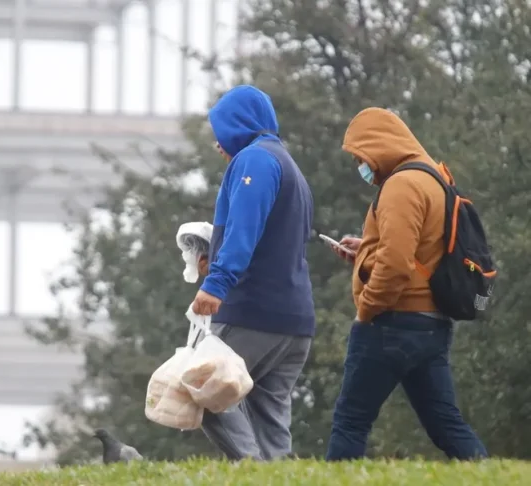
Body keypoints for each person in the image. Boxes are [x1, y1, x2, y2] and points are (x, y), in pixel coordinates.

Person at [325, 107, 488, 460]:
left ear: (379, 145)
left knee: (350, 423)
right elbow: (418, 253)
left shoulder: (401, 184)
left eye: (360, 156)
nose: (360, 166)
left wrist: (366, 309)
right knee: (447, 425)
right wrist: (365, 250)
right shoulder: (435, 178)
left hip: (392, 323)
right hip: (432, 325)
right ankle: (489, 474)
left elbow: (397, 264)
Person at [189, 85, 316, 461]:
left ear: (240, 126)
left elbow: (244, 233)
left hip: (254, 313)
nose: (217, 145)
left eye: (222, 132)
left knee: (205, 390)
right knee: (268, 417)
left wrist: (216, 283)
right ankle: (277, 474)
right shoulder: (288, 165)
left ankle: (253, 475)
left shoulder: (254, 161)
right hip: (294, 321)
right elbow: (271, 242)